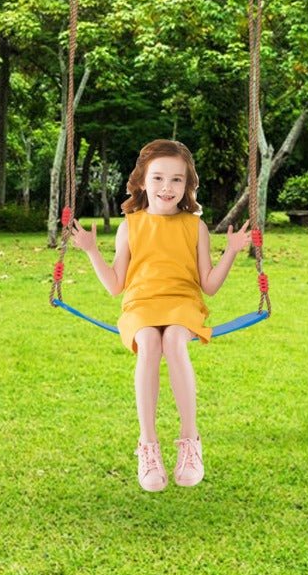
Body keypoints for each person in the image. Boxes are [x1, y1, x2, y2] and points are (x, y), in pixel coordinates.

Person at [69, 139, 252, 492]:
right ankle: (148, 446)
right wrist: (92, 252)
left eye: (176, 180)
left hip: (183, 302)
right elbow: (115, 285)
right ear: (141, 182)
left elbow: (209, 285)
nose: (166, 188)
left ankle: (190, 443)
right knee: (151, 341)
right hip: (140, 305)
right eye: (157, 178)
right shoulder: (130, 226)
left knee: (172, 339)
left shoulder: (193, 226)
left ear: (187, 186)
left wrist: (230, 252)